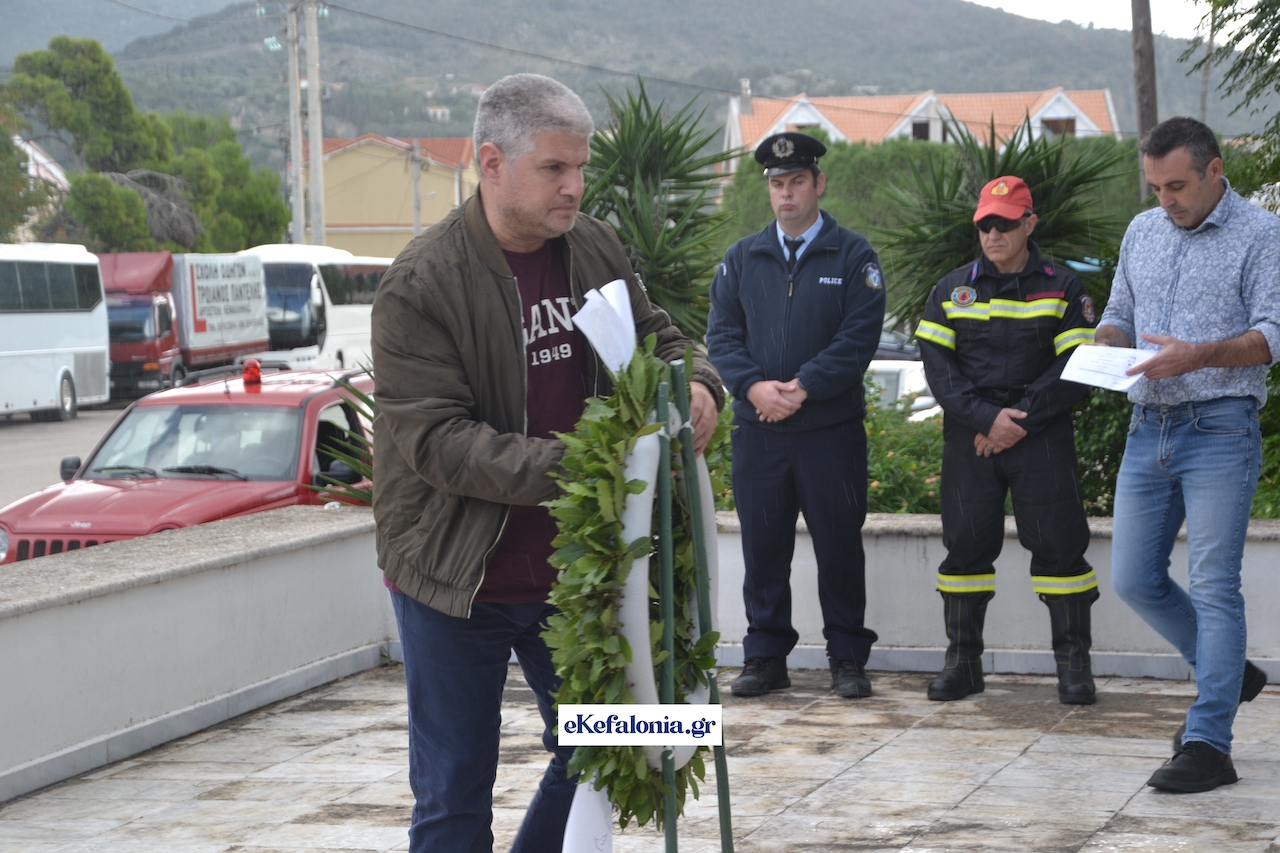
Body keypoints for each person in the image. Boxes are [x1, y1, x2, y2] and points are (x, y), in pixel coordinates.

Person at [371, 73, 723, 852]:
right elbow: (439, 442)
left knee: (605, 745)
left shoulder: (592, 244)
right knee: (454, 791)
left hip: (576, 571)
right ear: (492, 163)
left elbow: (659, 336)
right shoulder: (421, 284)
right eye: (555, 169)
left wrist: (697, 383)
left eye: (581, 167)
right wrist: (597, 466)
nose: (575, 187)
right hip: (455, 577)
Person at [1097, 116, 1280, 793]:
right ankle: (1230, 672)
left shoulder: (1262, 234)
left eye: (1176, 185)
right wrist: (1105, 345)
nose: (1165, 199)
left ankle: (1209, 743)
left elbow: (1273, 334)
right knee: (1132, 578)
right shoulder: (1142, 231)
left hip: (1220, 427)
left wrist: (1195, 356)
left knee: (1213, 584)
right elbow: (1118, 311)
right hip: (1148, 425)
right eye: (1155, 187)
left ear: (1214, 170)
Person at [707, 132, 885, 700]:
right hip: (759, 432)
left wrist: (804, 386)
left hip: (829, 433)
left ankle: (848, 658)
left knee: (839, 548)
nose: (787, 194)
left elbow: (859, 338)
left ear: (818, 183)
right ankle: (765, 657)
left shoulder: (853, 255)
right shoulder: (741, 258)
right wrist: (754, 387)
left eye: (797, 182)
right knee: (763, 550)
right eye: (778, 185)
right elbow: (722, 336)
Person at [916, 176, 1099, 706]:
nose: (993, 234)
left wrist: (1013, 422)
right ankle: (962, 665)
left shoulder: (1064, 288)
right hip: (971, 438)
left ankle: (1074, 668)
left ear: (1029, 223)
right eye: (985, 225)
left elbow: (1076, 366)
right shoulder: (951, 289)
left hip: (1040, 436)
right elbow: (939, 370)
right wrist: (985, 419)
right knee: (965, 550)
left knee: (1061, 549)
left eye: (1005, 223)